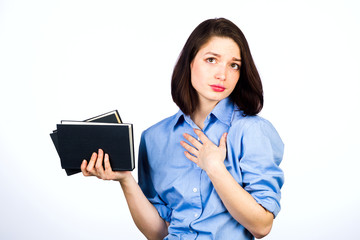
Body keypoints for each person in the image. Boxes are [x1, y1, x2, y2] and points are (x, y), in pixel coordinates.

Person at [81, 18, 284, 240]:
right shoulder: (154, 138)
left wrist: (215, 168)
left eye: (233, 65)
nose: (222, 75)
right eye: (211, 60)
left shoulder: (252, 132)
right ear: (190, 62)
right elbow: (160, 232)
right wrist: (125, 180)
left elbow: (262, 226)